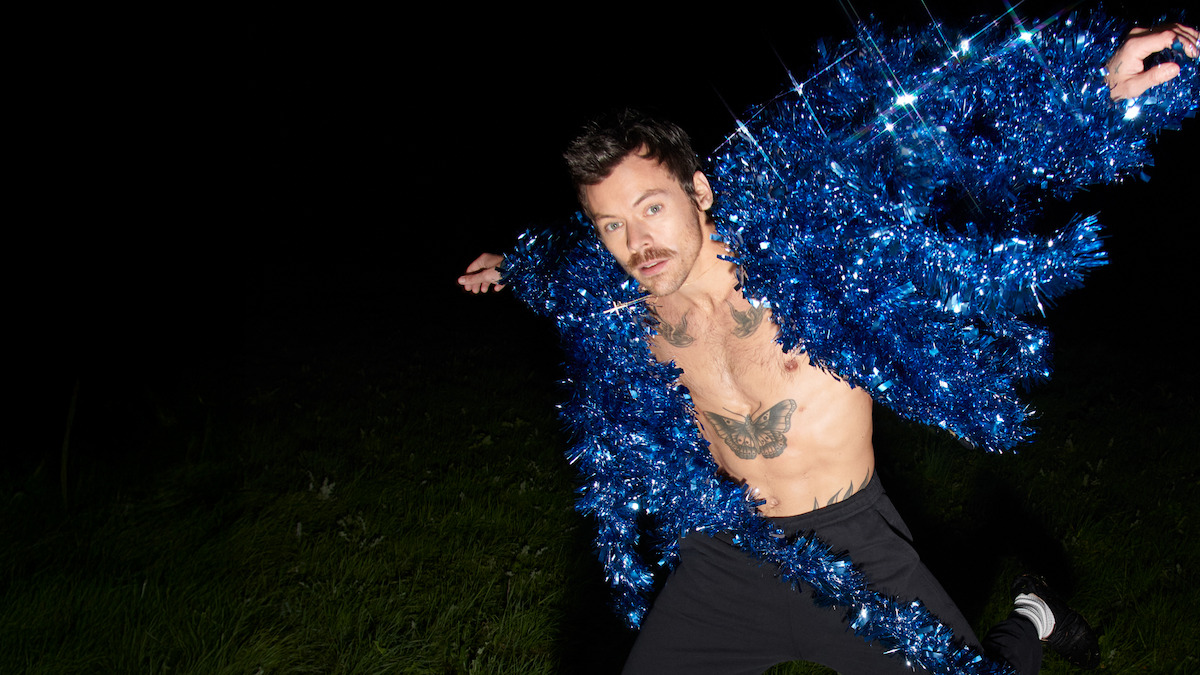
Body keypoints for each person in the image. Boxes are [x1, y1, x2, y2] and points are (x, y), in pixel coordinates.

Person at [458, 19, 1198, 675]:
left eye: (652, 207)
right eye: (612, 224)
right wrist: (511, 266)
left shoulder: (804, 252)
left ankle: (1031, 615)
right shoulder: (615, 294)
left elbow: (948, 146)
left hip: (856, 550)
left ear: (701, 192)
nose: (636, 241)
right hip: (729, 552)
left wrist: (1092, 88)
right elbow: (561, 267)